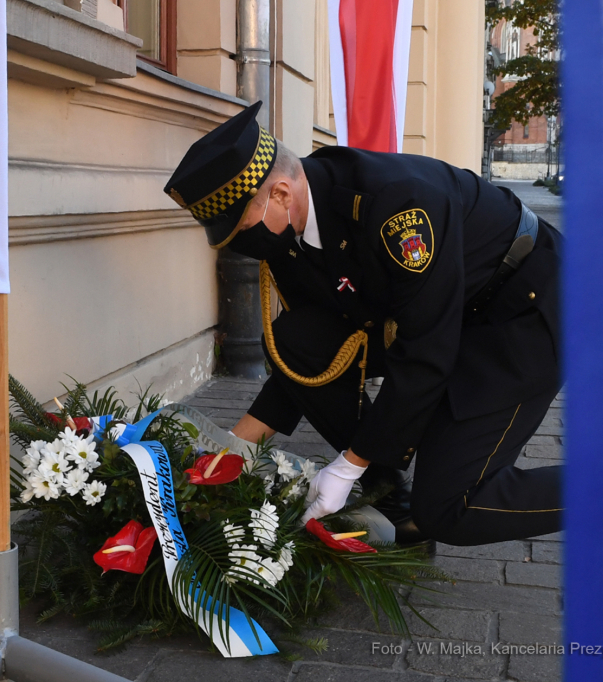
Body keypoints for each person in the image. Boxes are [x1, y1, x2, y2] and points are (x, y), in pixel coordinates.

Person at [164, 102, 563, 546]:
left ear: (279, 193)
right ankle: (392, 495)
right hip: (448, 316)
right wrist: (230, 449)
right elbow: (306, 359)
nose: (238, 242)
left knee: (451, 509)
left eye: (239, 226)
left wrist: (348, 465)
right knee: (296, 338)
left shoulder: (398, 207)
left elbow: (426, 353)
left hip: (521, 309)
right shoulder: (289, 234)